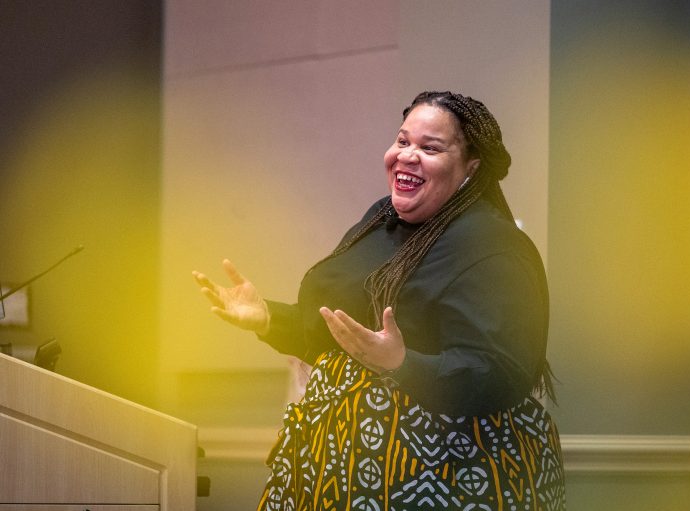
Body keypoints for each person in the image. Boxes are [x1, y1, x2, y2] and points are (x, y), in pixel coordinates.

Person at [193, 91, 566, 510]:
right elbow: (341, 335)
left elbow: (500, 373)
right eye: (403, 140)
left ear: (471, 168)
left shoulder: (493, 246)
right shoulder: (381, 220)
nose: (407, 155)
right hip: (336, 462)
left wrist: (403, 364)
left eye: (430, 147)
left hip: (443, 477)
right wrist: (267, 319)